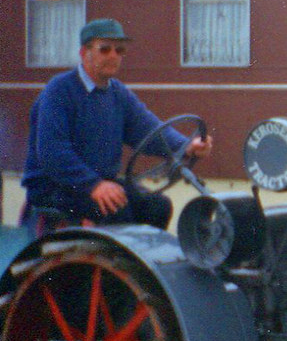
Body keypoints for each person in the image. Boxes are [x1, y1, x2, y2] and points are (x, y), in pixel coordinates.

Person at [21, 18, 213, 229]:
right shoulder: (59, 90)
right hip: (56, 188)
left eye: (119, 50)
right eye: (105, 49)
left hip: (100, 182)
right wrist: (92, 185)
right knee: (119, 210)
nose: (113, 55)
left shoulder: (117, 93)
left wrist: (186, 146)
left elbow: (148, 129)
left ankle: (140, 262)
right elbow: (52, 152)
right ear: (84, 53)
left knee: (158, 206)